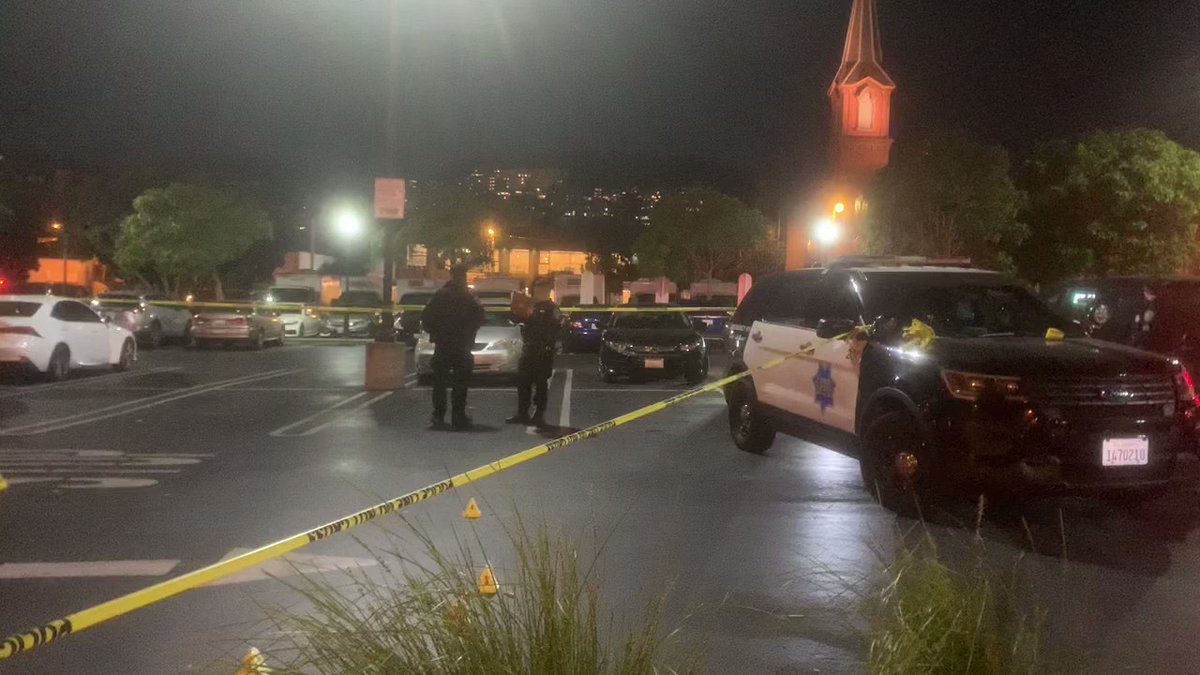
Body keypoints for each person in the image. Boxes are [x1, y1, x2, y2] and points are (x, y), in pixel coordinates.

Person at [421, 264, 484, 430]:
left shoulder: (440, 295)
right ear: (464, 276)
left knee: (440, 383)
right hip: (462, 345)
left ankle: (438, 415)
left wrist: (437, 333)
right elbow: (479, 318)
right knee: (460, 383)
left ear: (451, 275)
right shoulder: (470, 297)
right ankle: (458, 416)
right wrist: (469, 334)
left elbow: (426, 318)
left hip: (443, 345)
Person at [507, 282, 562, 429]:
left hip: (543, 350)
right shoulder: (532, 305)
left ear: (548, 290)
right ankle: (522, 413)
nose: (538, 292)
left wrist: (531, 316)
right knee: (523, 382)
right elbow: (515, 319)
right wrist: (516, 308)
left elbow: (552, 328)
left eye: (541, 289)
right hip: (529, 348)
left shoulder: (552, 309)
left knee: (541, 383)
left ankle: (539, 414)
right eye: (537, 290)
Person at [1130, 284, 1157, 349]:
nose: (1144, 294)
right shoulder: (1147, 303)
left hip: (1147, 340)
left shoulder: (1154, 305)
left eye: (1145, 292)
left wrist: (1137, 325)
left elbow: (1150, 327)